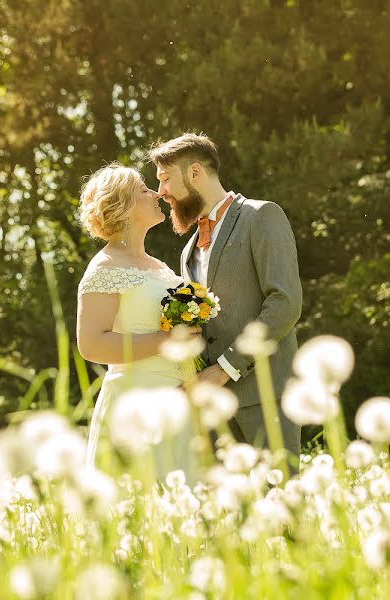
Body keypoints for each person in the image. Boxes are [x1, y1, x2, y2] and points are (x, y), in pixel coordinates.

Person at [149, 133, 303, 465]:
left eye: (164, 178)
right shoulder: (188, 250)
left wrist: (222, 371)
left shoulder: (261, 216)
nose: (161, 192)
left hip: (266, 398)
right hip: (212, 411)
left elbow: (284, 303)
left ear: (194, 173)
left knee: (281, 509)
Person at [76, 162, 197, 476]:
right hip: (133, 405)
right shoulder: (105, 267)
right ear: (123, 206)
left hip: (178, 402)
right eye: (144, 191)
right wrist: (168, 341)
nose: (156, 193)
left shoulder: (158, 266)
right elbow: (92, 345)